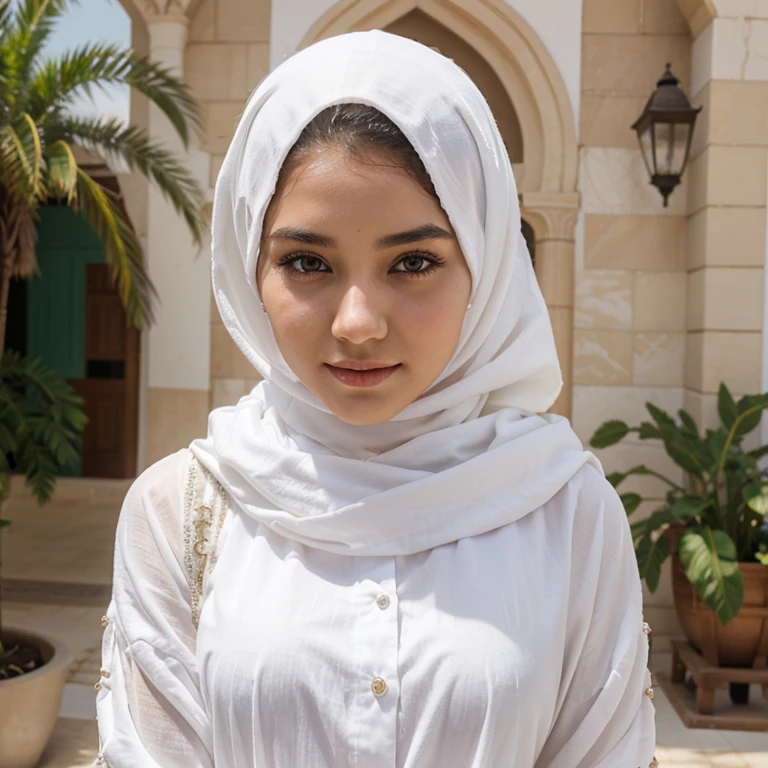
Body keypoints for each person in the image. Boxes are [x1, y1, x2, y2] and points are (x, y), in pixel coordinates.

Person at [95, 30, 657, 768]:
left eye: (415, 262)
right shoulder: (182, 513)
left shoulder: (567, 510)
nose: (357, 323)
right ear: (248, 269)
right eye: (306, 262)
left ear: (485, 269)